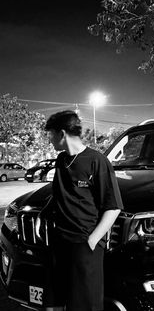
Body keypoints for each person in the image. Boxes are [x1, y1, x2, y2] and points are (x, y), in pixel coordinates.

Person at [37, 110, 123, 311]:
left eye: (50, 135)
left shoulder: (97, 161)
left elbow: (113, 207)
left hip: (85, 246)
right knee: (53, 302)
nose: (49, 140)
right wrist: (42, 219)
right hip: (60, 243)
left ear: (62, 134)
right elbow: (60, 196)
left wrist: (92, 240)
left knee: (84, 305)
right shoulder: (61, 160)